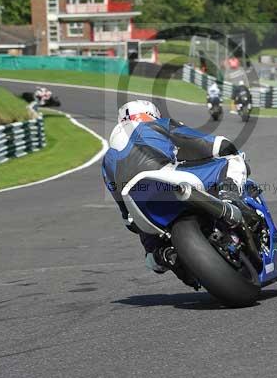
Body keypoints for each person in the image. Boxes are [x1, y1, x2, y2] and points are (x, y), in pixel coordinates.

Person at [101, 100, 252, 285]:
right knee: (231, 161)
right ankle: (230, 200)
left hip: (140, 202)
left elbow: (126, 216)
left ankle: (163, 255)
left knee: (150, 249)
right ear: (151, 114)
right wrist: (224, 147)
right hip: (167, 178)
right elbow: (203, 142)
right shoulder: (158, 124)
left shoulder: (107, 160)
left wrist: (136, 225)